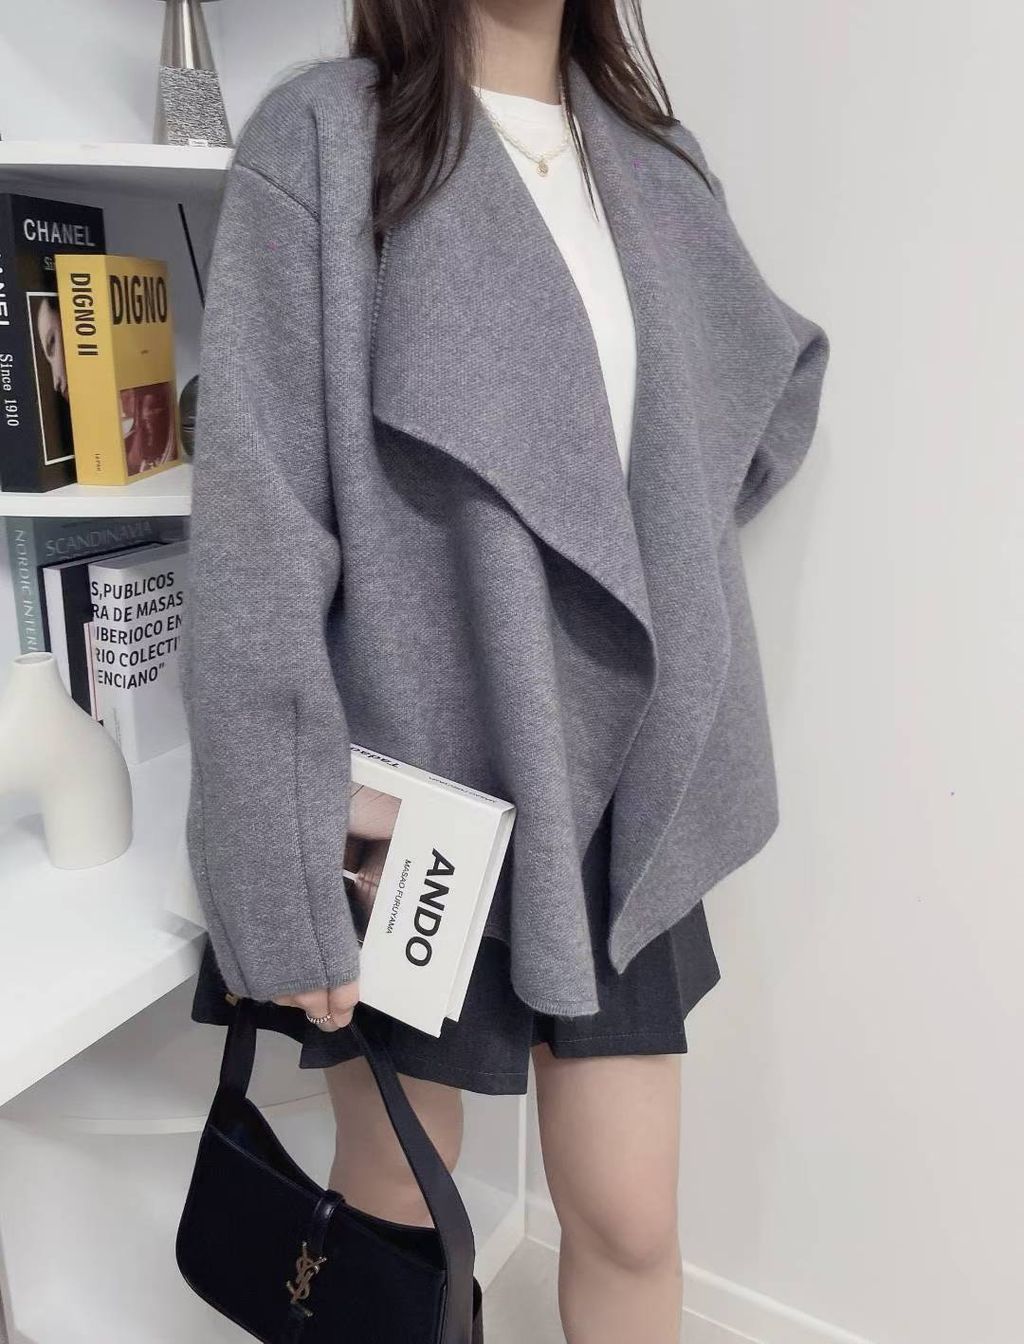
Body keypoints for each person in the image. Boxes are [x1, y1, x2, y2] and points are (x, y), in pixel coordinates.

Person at [182, 3, 829, 1341]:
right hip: (414, 789)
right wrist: (276, 855)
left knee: (632, 1220)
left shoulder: (657, 166)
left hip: (621, 783)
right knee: (397, 1221)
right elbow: (258, 528)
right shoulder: (325, 141)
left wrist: (654, 562)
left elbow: (756, 393)